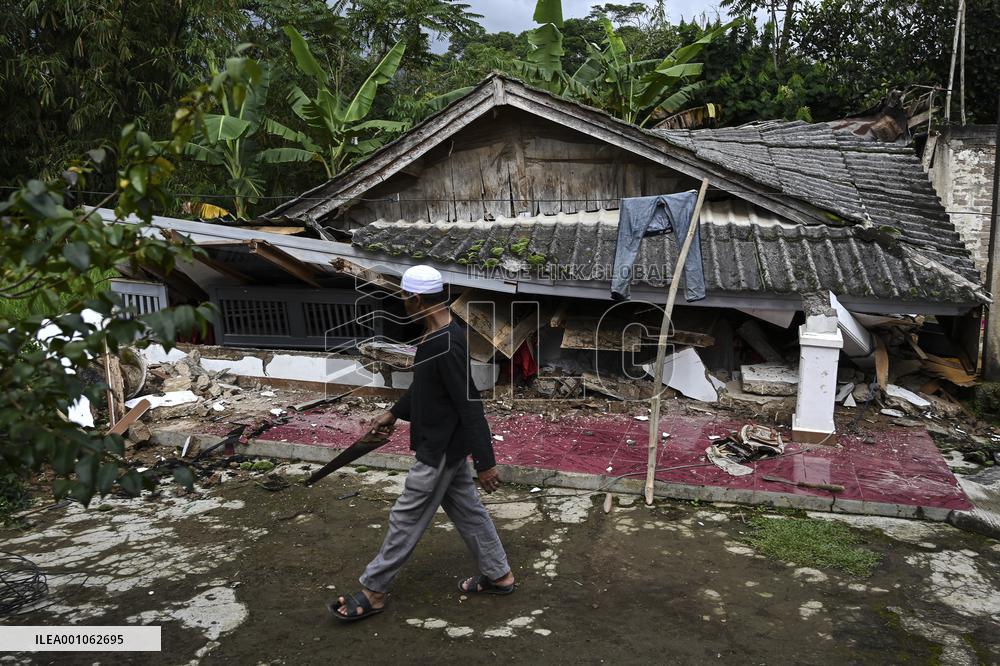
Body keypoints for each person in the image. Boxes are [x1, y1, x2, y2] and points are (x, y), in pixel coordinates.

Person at [332, 265, 515, 622]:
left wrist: (486, 462)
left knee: (406, 517)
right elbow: (428, 386)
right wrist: (395, 413)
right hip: (447, 444)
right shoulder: (443, 334)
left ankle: (374, 590)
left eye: (403, 296)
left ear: (415, 299)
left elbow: (469, 402)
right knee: (468, 511)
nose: (401, 301)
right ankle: (499, 574)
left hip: (440, 448)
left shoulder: (444, 343)